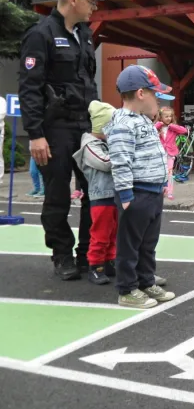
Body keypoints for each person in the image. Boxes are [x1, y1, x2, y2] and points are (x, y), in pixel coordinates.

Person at [18, 0, 107, 280]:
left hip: (85, 127)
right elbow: (29, 88)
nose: (94, 6)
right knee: (57, 195)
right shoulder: (40, 34)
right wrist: (35, 134)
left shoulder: (85, 35)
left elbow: (88, 84)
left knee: (95, 191)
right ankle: (62, 255)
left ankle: (87, 253)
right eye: (90, 0)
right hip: (54, 128)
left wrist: (98, 124)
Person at [104, 64, 175, 309]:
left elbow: (154, 153)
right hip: (137, 193)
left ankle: (145, 281)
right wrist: (125, 195)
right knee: (130, 245)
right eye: (155, 93)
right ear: (141, 93)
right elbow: (121, 161)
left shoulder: (142, 120)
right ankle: (127, 289)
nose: (158, 99)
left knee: (148, 243)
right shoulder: (124, 123)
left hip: (152, 192)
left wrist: (163, 183)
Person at [72, 101, 117, 285]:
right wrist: (122, 154)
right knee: (100, 233)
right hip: (101, 196)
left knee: (113, 232)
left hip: (113, 194)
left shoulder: (106, 143)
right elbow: (104, 163)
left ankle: (109, 261)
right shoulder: (90, 146)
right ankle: (96, 266)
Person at [155, 106, 187, 201]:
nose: (169, 118)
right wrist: (158, 125)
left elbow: (184, 131)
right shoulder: (158, 127)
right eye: (166, 116)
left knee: (169, 173)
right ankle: (160, 190)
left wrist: (172, 126)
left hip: (170, 154)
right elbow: (151, 130)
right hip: (159, 153)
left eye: (170, 116)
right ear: (161, 117)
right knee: (160, 173)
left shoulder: (173, 128)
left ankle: (170, 191)